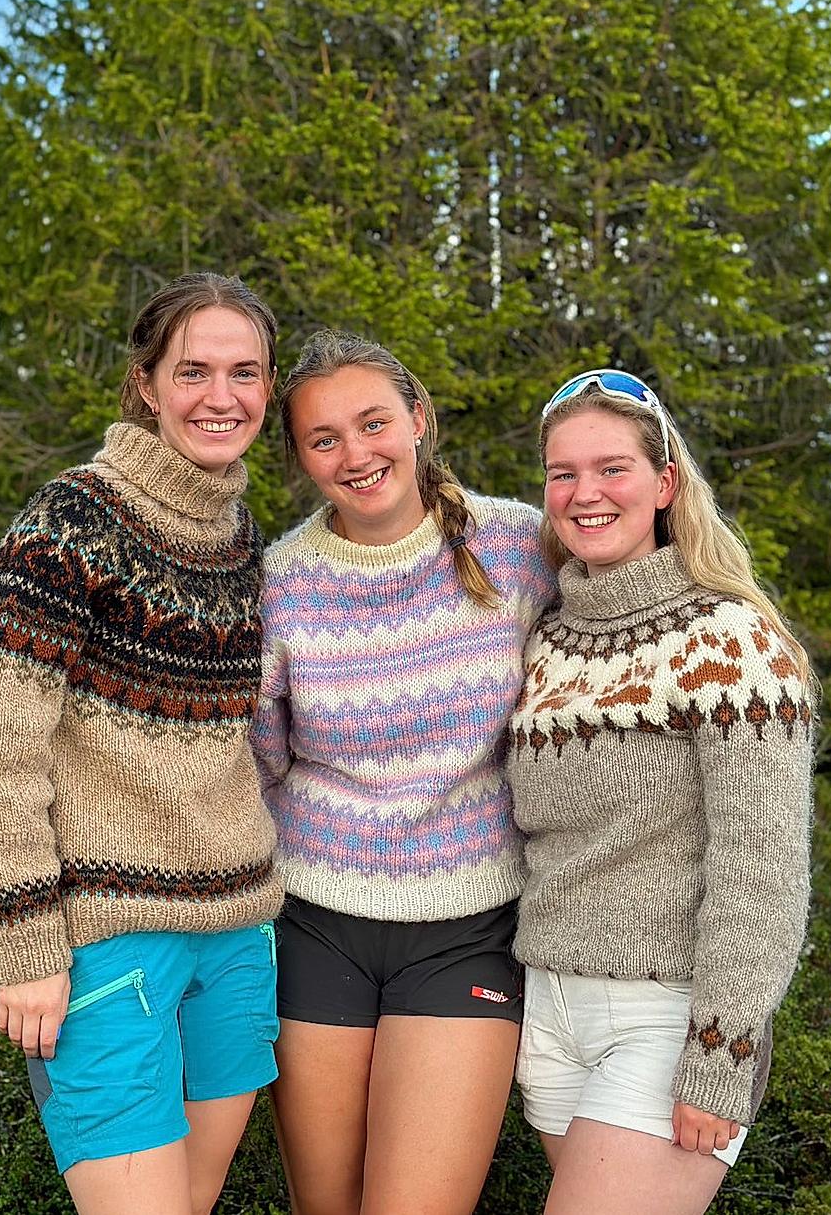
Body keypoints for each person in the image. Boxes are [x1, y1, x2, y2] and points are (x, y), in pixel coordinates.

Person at [0, 273, 285, 1215]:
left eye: (244, 373)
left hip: (237, 933)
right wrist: (26, 948)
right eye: (194, 371)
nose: (221, 397)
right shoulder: (70, 522)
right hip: (105, 945)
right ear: (146, 383)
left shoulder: (238, 534)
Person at [250, 329, 553, 1215]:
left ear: (417, 419)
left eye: (373, 421)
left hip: (468, 927)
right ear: (301, 458)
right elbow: (258, 758)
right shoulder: (280, 583)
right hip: (315, 925)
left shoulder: (518, 548)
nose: (356, 453)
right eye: (324, 438)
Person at [507, 369, 815, 1215]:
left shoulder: (729, 636)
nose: (584, 492)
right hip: (549, 1016)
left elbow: (762, 868)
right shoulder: (544, 636)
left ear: (664, 483)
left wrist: (721, 1052)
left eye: (612, 468)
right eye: (562, 473)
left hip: (668, 1018)